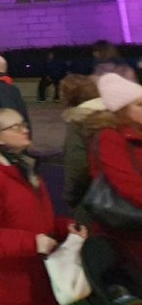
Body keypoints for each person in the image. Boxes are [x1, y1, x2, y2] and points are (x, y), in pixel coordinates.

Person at [0, 108, 84, 305]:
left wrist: (63, 227)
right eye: (16, 127)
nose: (25, 130)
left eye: (23, 124)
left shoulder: (20, 167)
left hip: (27, 278)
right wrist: (33, 242)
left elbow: (32, 215)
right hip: (1, 287)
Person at [87, 73, 142, 282]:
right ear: (122, 110)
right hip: (128, 229)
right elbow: (126, 184)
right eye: (140, 104)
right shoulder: (109, 137)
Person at [58, 74, 104, 222]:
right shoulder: (114, 115)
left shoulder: (79, 124)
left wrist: (70, 197)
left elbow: (77, 164)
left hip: (92, 200)